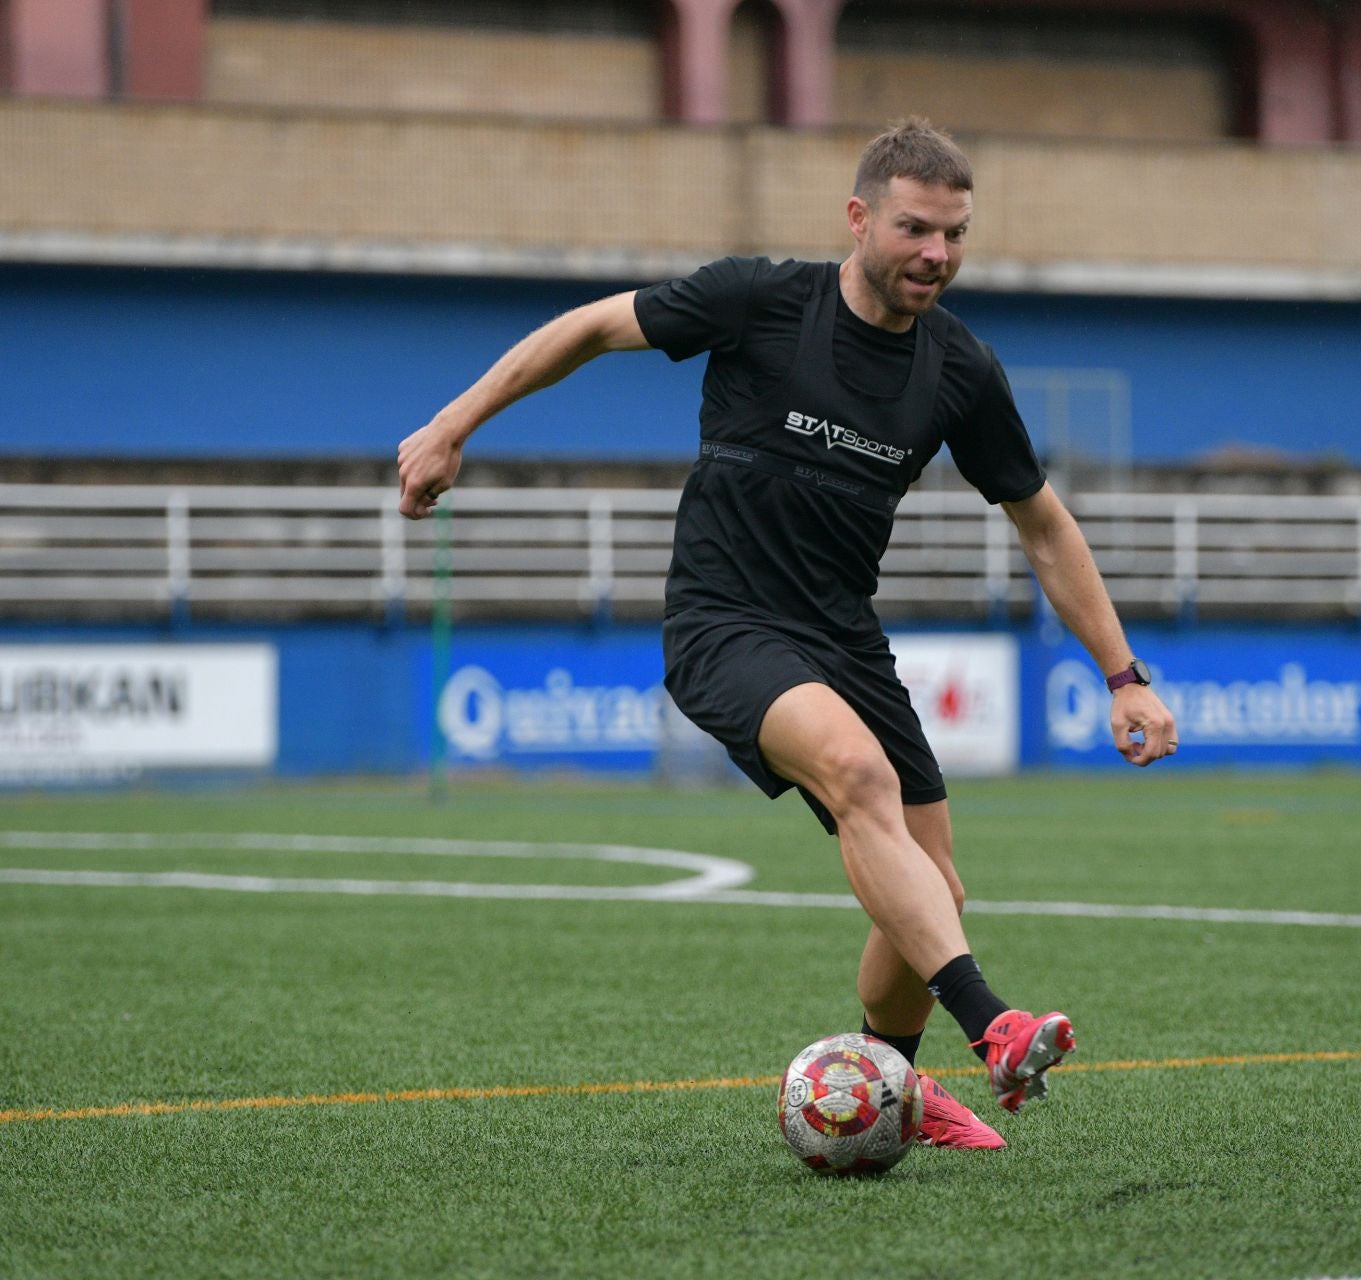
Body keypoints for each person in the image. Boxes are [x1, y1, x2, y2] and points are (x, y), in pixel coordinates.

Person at [396, 118, 1178, 1151]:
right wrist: (453, 424)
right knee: (858, 773)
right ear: (859, 218)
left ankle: (892, 1083)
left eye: (954, 235)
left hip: (843, 637)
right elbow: (588, 327)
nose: (935, 255)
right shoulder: (760, 301)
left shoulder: (958, 369)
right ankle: (994, 1026)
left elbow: (1040, 521)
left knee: (934, 885)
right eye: (914, 229)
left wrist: (1121, 672)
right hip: (724, 621)